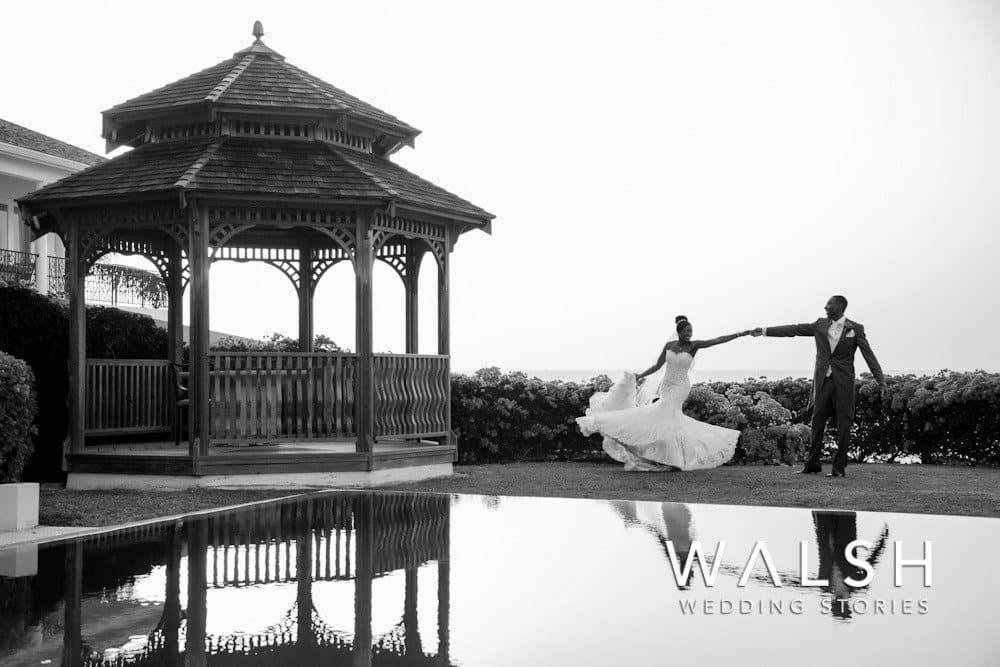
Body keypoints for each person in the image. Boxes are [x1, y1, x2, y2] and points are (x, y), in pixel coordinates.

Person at [576, 316, 750, 471]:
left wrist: (739, 334)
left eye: (691, 331)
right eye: (687, 331)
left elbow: (716, 340)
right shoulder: (669, 346)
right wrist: (640, 376)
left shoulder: (694, 345)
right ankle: (667, 458)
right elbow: (658, 366)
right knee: (665, 419)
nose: (690, 334)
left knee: (666, 413)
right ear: (679, 332)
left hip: (681, 387)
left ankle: (672, 459)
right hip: (666, 386)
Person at [751, 295, 887, 477]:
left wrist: (881, 381)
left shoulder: (855, 329)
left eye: (829, 304)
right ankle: (812, 464)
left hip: (843, 384)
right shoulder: (820, 325)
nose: (825, 307)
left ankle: (838, 468)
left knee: (844, 424)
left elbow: (869, 355)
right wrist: (765, 330)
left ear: (839, 307)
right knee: (817, 423)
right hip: (823, 382)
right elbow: (795, 329)